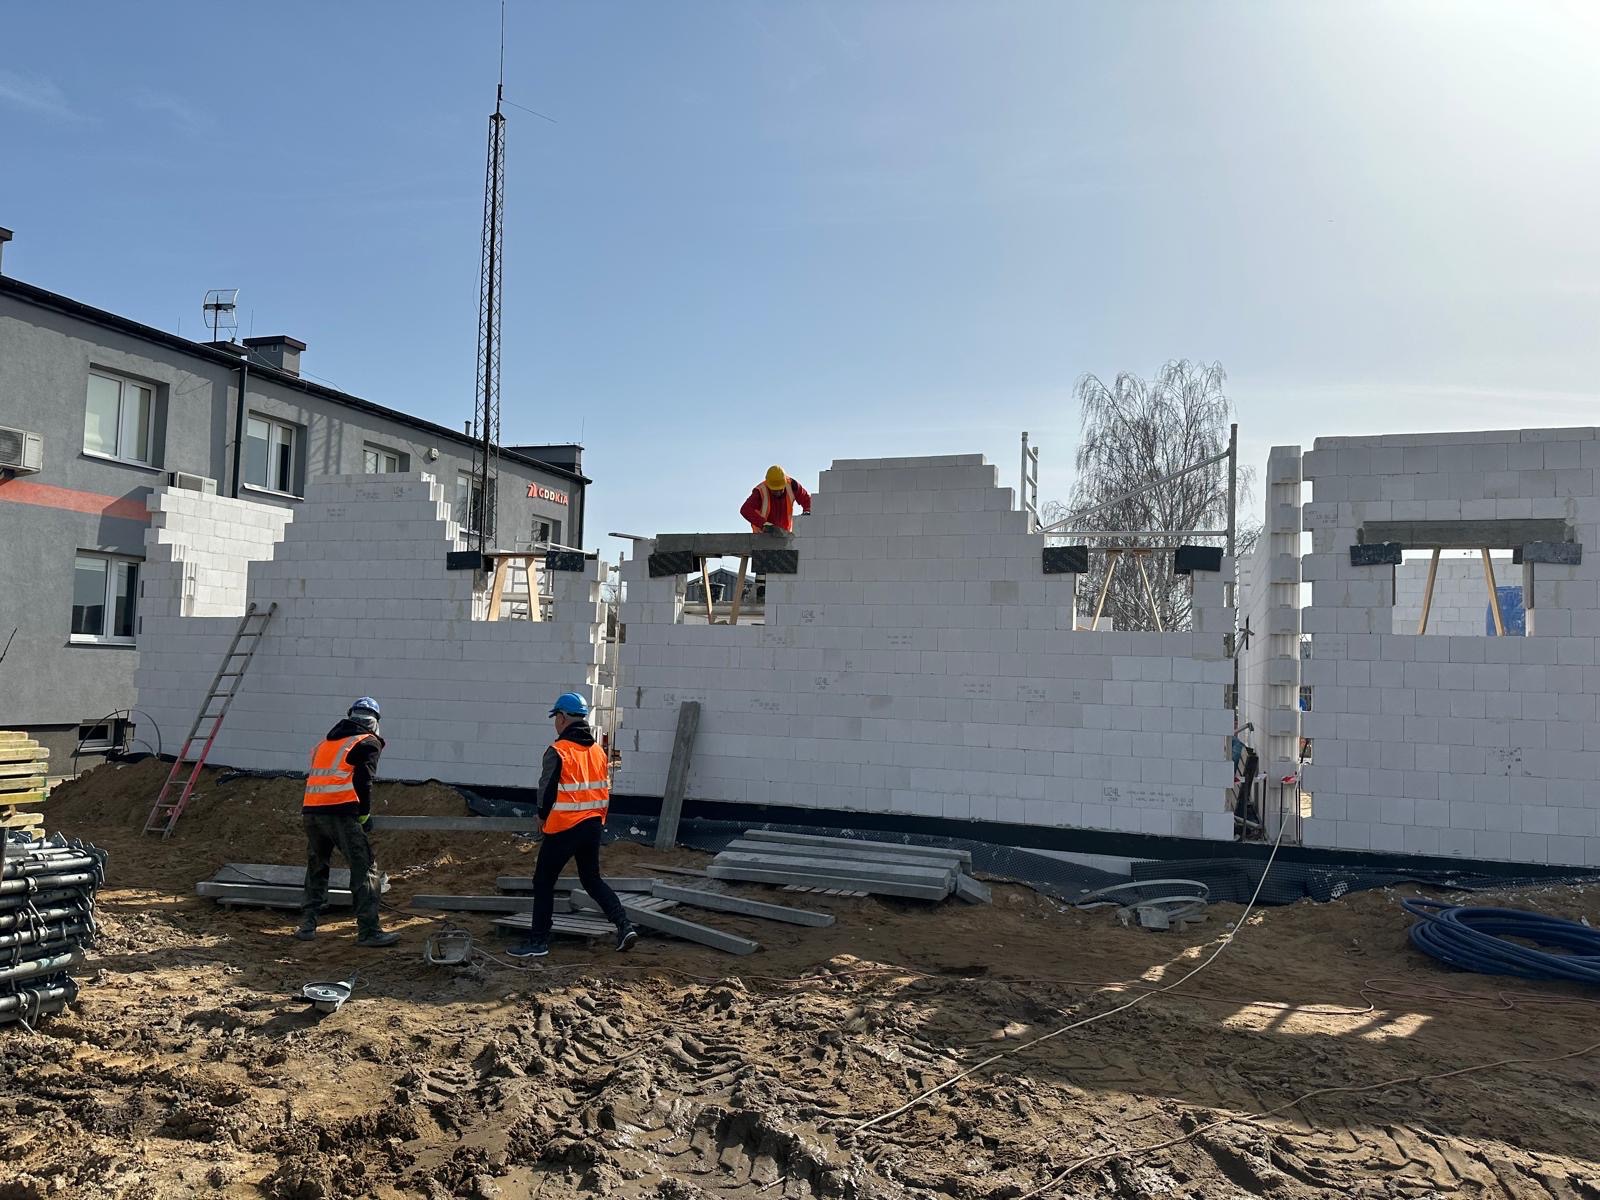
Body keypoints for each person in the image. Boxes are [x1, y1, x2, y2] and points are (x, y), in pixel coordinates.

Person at [508, 692, 637, 958]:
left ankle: (538, 941)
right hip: (592, 825)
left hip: (565, 827)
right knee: (591, 878)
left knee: (543, 881)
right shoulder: (598, 752)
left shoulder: (558, 751)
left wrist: (542, 817)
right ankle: (624, 925)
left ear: (563, 717)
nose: (556, 722)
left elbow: (547, 791)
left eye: (556, 717)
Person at [294, 697, 400, 947]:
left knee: (317, 866)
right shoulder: (368, 742)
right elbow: (363, 782)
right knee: (364, 868)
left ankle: (307, 924)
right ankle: (368, 931)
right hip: (340, 812)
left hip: (312, 811)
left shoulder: (326, 743)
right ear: (374, 721)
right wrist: (363, 815)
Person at [739, 465, 811, 534]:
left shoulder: (792, 485)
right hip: (762, 536)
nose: (778, 492)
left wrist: (807, 511)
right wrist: (763, 524)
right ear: (768, 484)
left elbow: (807, 500)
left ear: (784, 482)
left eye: (780, 489)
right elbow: (745, 509)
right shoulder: (760, 491)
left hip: (784, 535)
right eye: (775, 490)